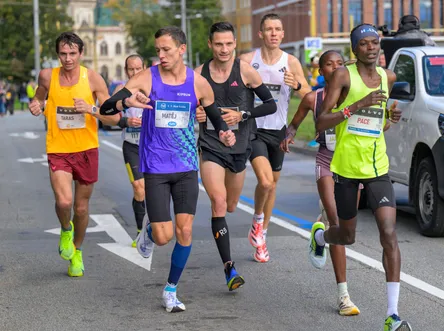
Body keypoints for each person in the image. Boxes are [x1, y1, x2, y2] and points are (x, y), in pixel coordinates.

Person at [99, 26, 236, 313]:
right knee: (164, 236)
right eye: (157, 50)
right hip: (156, 166)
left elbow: (212, 113)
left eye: (166, 50)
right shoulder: (147, 77)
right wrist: (127, 101)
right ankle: (149, 231)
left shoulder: (198, 83)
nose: (160, 55)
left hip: (186, 165)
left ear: (182, 49)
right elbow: (108, 106)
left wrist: (224, 132)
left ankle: (171, 289)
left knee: (184, 231)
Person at [310, 24, 412, 331]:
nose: (371, 47)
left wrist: (388, 119)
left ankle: (392, 316)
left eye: (375, 42)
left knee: (389, 233)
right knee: (347, 236)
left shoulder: (387, 77)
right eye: (364, 43)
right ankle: (322, 238)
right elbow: (321, 122)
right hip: (346, 168)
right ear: (355, 50)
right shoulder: (343, 76)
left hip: (377, 166)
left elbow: (376, 125)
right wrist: (356, 105)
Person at [28, 32, 119, 277]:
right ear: (58, 54)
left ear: (80, 53)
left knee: (80, 208)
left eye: (72, 53)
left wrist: (90, 109)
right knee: (64, 202)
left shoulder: (92, 79)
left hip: (86, 149)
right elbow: (39, 96)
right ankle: (65, 229)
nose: (67, 59)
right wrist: (36, 104)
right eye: (63, 54)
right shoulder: (48, 75)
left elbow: (114, 117)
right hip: (58, 148)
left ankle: (77, 251)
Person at [195, 22, 277, 290]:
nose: (224, 49)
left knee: (231, 205)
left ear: (234, 44)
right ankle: (229, 268)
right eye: (218, 44)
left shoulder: (244, 71)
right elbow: (184, 107)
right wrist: (193, 113)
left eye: (229, 44)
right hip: (211, 147)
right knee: (218, 202)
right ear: (210, 44)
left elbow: (270, 104)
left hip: (239, 148)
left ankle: (244, 232)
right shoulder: (198, 75)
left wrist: (244, 115)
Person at [281, 50, 360, 316]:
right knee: (336, 219)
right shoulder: (312, 99)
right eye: (330, 64)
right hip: (326, 162)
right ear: (321, 71)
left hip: (352, 165)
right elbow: (293, 125)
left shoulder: (356, 97)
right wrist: (288, 136)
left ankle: (320, 237)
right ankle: (344, 296)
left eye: (340, 63)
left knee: (345, 229)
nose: (336, 67)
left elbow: (376, 125)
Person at [239, 13, 311, 262]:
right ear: (260, 34)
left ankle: (261, 235)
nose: (273, 33)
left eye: (277, 29)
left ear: (282, 34)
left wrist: (298, 86)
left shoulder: (291, 62)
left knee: (273, 184)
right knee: (266, 182)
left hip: (277, 131)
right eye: (268, 29)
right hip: (253, 129)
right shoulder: (247, 60)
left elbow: (309, 97)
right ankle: (258, 219)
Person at [113, 54, 147, 247]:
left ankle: (153, 225)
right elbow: (108, 115)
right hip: (131, 145)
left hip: (151, 146)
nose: (134, 73)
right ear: (126, 71)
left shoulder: (151, 89)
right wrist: (126, 121)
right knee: (138, 188)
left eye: (138, 69)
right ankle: (140, 230)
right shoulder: (121, 90)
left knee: (151, 189)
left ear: (144, 68)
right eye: (131, 69)